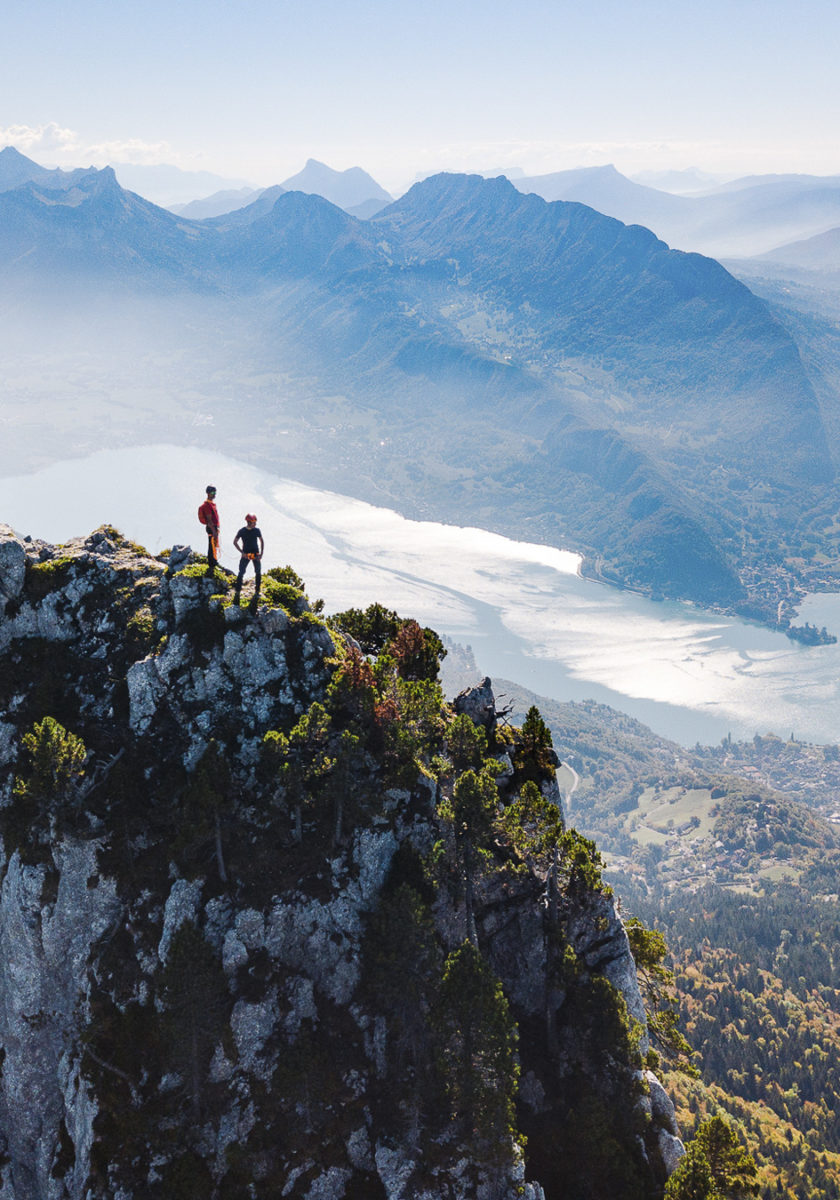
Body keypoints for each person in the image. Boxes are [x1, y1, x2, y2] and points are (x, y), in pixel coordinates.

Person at [233, 514, 264, 608]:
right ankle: (238, 592)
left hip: (253, 554)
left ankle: (257, 590)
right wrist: (242, 552)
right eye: (254, 522)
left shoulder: (256, 530)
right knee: (241, 572)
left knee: (257, 572)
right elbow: (234, 542)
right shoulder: (242, 531)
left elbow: (262, 541)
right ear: (249, 522)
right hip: (246, 554)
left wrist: (261, 554)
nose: (255, 524)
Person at [198, 485, 220, 576]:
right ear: (208, 493)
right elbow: (209, 520)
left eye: (215, 493)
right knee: (211, 545)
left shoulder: (211, 504)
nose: (214, 495)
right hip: (211, 528)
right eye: (212, 493)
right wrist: (214, 531)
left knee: (213, 545)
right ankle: (212, 563)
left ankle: (214, 561)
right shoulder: (207, 506)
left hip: (214, 528)